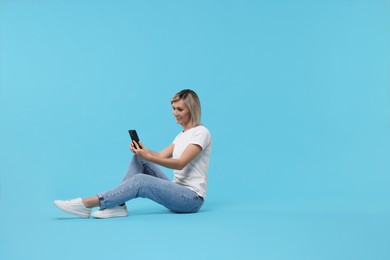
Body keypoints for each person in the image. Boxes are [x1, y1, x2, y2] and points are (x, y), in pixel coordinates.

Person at [54, 89, 212, 219]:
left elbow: (180, 163)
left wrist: (149, 156)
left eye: (180, 109)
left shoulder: (201, 133)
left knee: (141, 181)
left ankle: (86, 203)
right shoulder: (181, 135)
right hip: (176, 191)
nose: (174, 113)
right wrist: (143, 151)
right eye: (173, 108)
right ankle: (118, 205)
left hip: (191, 199)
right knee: (140, 159)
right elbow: (160, 156)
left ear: (191, 110)